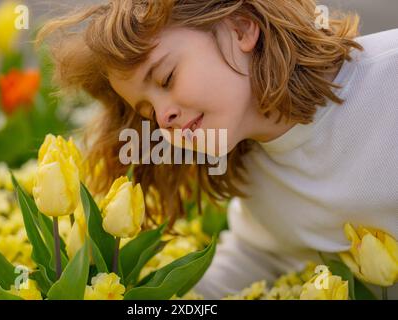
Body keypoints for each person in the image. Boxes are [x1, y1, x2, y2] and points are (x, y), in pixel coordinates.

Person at [37, 0, 398, 299]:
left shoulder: (389, 79)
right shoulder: (256, 168)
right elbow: (258, 255)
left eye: (166, 78)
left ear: (240, 28)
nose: (164, 116)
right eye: (146, 111)